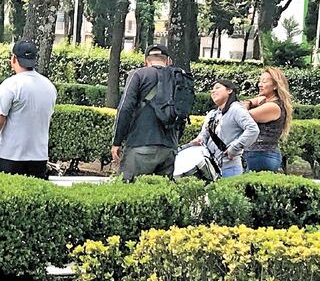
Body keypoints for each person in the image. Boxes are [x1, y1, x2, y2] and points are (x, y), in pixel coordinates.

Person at [0, 40, 56, 178]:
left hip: (10, 156)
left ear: (13, 58)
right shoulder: (49, 86)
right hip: (39, 157)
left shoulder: (10, 85)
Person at [111, 44, 184, 182]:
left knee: (128, 193)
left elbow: (125, 108)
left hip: (140, 145)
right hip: (169, 148)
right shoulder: (179, 79)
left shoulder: (138, 74)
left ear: (146, 61)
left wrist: (117, 142)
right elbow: (183, 112)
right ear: (168, 61)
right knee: (160, 196)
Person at [190, 79, 259, 178]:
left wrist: (234, 148)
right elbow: (204, 135)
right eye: (212, 90)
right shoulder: (212, 114)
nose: (213, 91)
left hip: (230, 168)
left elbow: (253, 129)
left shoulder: (236, 109)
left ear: (229, 90)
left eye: (217, 88)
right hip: (210, 169)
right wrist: (199, 140)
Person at [242, 67, 293, 172]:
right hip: (255, 154)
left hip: (262, 156)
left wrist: (244, 107)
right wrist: (248, 102)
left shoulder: (272, 107)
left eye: (264, 82)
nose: (259, 84)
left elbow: (242, 117)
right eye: (259, 81)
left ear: (275, 86)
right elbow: (255, 100)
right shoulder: (265, 100)